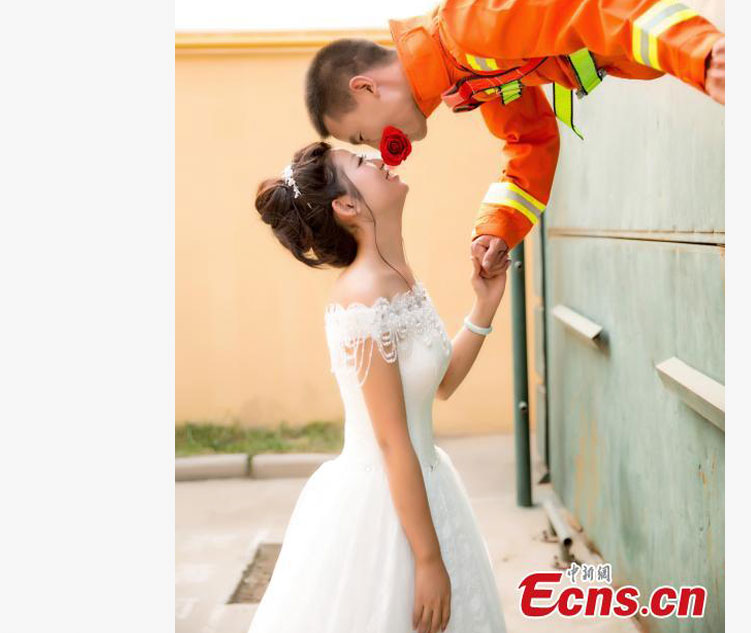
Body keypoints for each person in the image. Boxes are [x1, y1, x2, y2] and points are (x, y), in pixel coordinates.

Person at [247, 140, 510, 633]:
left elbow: (439, 384)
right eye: (362, 163)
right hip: (383, 501)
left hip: (425, 482)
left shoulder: (397, 275)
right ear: (346, 206)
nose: (381, 161)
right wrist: (428, 561)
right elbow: (391, 440)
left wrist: (485, 305)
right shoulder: (361, 297)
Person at [303, 0, 726, 280]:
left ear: (366, 88)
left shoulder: (466, 23)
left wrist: (701, 53)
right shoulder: (464, 71)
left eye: (363, 134)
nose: (378, 148)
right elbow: (531, 140)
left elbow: (596, 7)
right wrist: (499, 229)